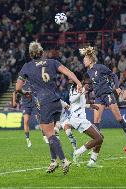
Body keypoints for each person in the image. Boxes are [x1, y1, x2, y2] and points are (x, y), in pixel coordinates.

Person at [16, 41, 82, 174]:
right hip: (56, 101)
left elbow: (17, 88)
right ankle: (53, 161)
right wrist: (78, 82)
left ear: (30, 54)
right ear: (42, 52)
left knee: (49, 134)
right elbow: (68, 72)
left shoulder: (27, 66)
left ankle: (64, 160)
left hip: (43, 103)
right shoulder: (52, 62)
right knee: (53, 133)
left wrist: (24, 92)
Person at [79, 46, 126, 145]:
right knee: (96, 120)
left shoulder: (100, 67)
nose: (83, 61)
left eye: (85, 59)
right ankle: (97, 143)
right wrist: (86, 90)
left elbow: (114, 75)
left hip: (107, 94)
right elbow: (93, 85)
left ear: (90, 60)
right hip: (98, 97)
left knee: (118, 118)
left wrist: (116, 86)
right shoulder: (88, 72)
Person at [62, 73, 104, 167]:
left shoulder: (76, 87)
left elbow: (79, 104)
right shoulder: (77, 87)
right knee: (98, 138)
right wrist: (82, 91)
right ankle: (77, 153)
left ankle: (92, 162)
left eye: (71, 76)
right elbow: (72, 100)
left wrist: (90, 105)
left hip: (78, 117)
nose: (69, 77)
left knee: (100, 138)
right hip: (78, 119)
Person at [12, 80, 38, 148]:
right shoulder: (19, 84)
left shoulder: (31, 83)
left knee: (39, 119)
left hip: (33, 104)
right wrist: (14, 102)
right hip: (25, 105)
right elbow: (14, 92)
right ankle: (28, 139)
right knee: (26, 121)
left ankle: (44, 136)